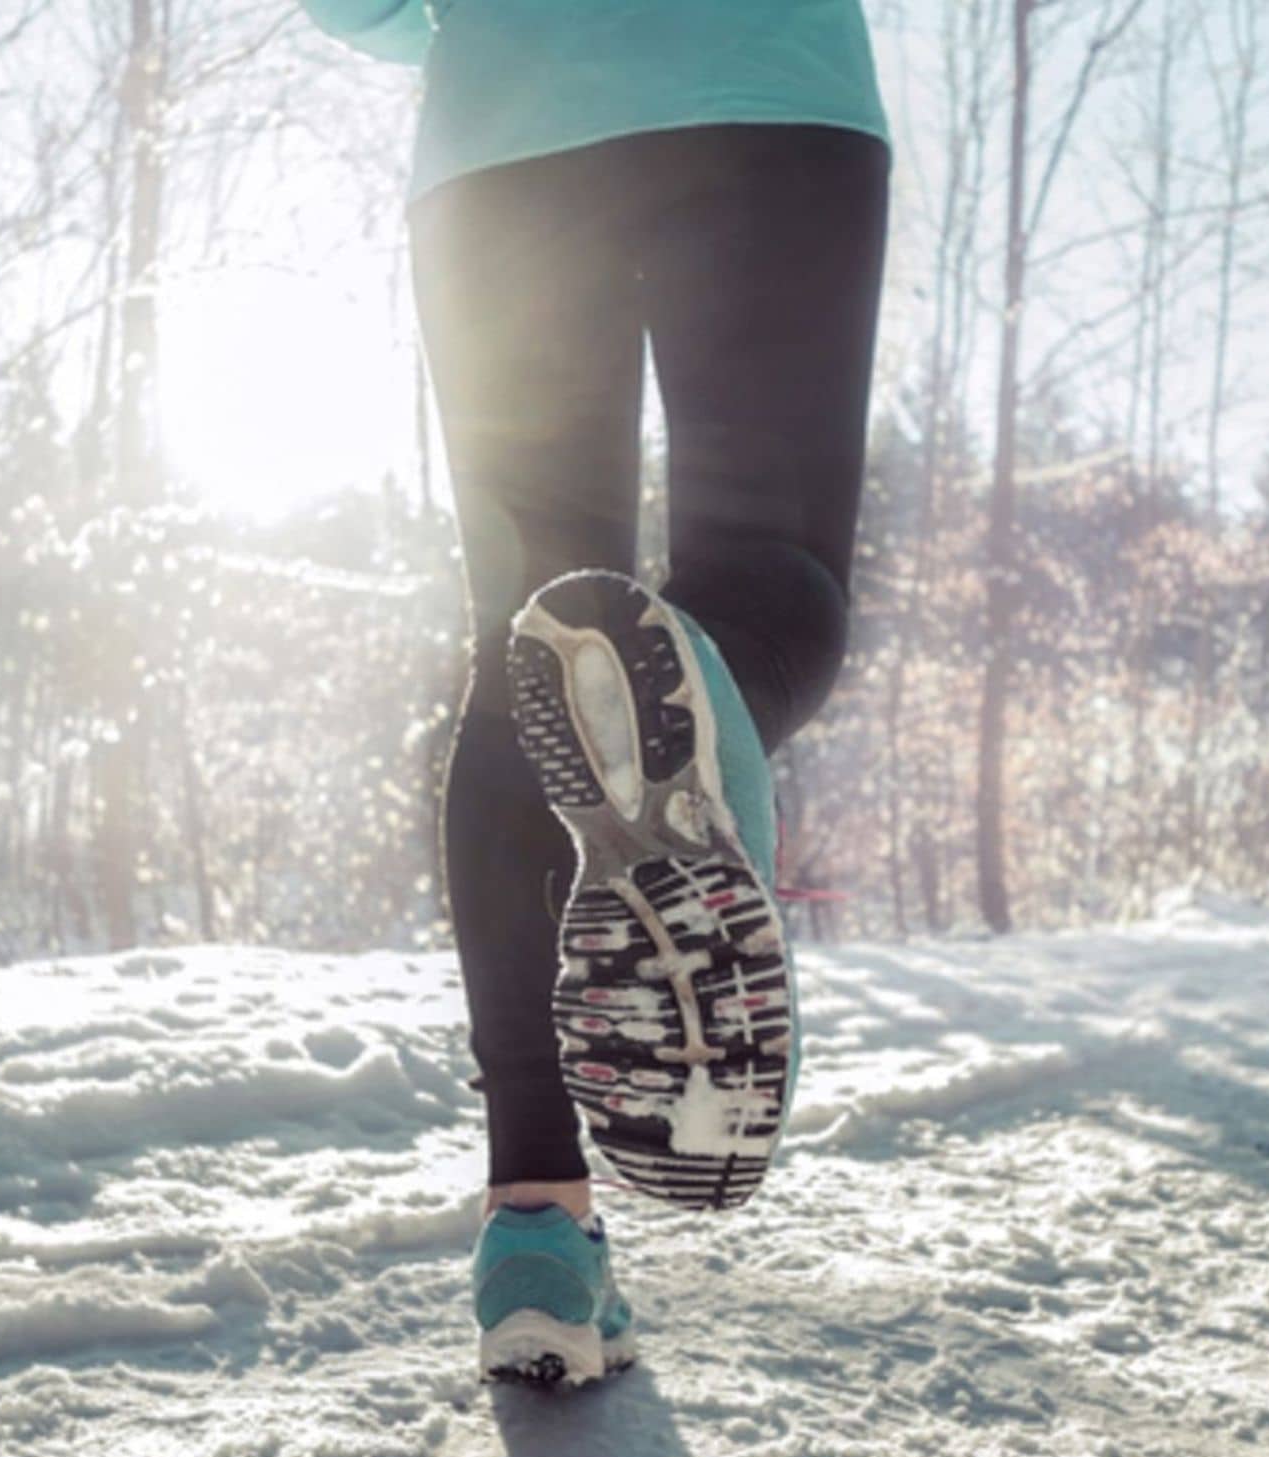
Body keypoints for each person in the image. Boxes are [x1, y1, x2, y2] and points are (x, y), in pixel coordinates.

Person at [300, 0, 891, 1386]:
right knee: (768, 576)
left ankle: (536, 1237)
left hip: (505, 137)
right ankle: (689, 699)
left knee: (529, 654)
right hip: (764, 88)